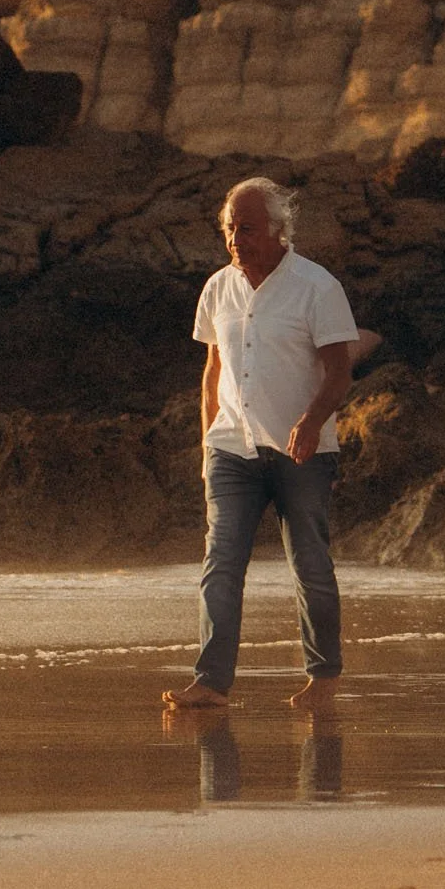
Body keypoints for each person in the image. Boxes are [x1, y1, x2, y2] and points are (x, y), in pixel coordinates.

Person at [164, 177, 361, 712]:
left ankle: (323, 678)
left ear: (279, 231)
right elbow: (212, 372)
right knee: (220, 563)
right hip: (232, 448)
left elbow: (340, 372)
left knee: (311, 566)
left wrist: (311, 421)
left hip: (303, 454)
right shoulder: (217, 288)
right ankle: (211, 682)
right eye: (229, 228)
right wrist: (208, 445)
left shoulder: (316, 287)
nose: (235, 239)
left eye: (246, 228)